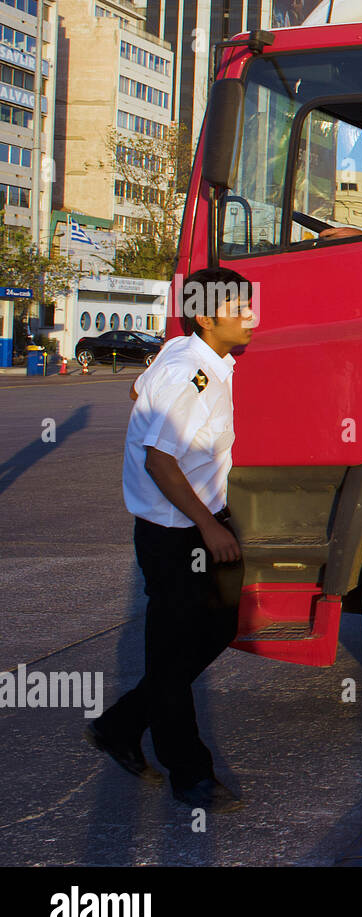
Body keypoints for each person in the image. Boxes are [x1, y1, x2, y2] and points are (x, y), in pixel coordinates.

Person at [86, 267, 256, 814]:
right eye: (239, 308)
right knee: (173, 650)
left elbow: (140, 388)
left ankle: (121, 724)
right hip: (175, 531)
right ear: (207, 316)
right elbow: (160, 459)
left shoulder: (193, 357)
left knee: (214, 630)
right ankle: (190, 773)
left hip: (201, 521)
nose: (250, 316)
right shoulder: (192, 372)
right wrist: (209, 527)